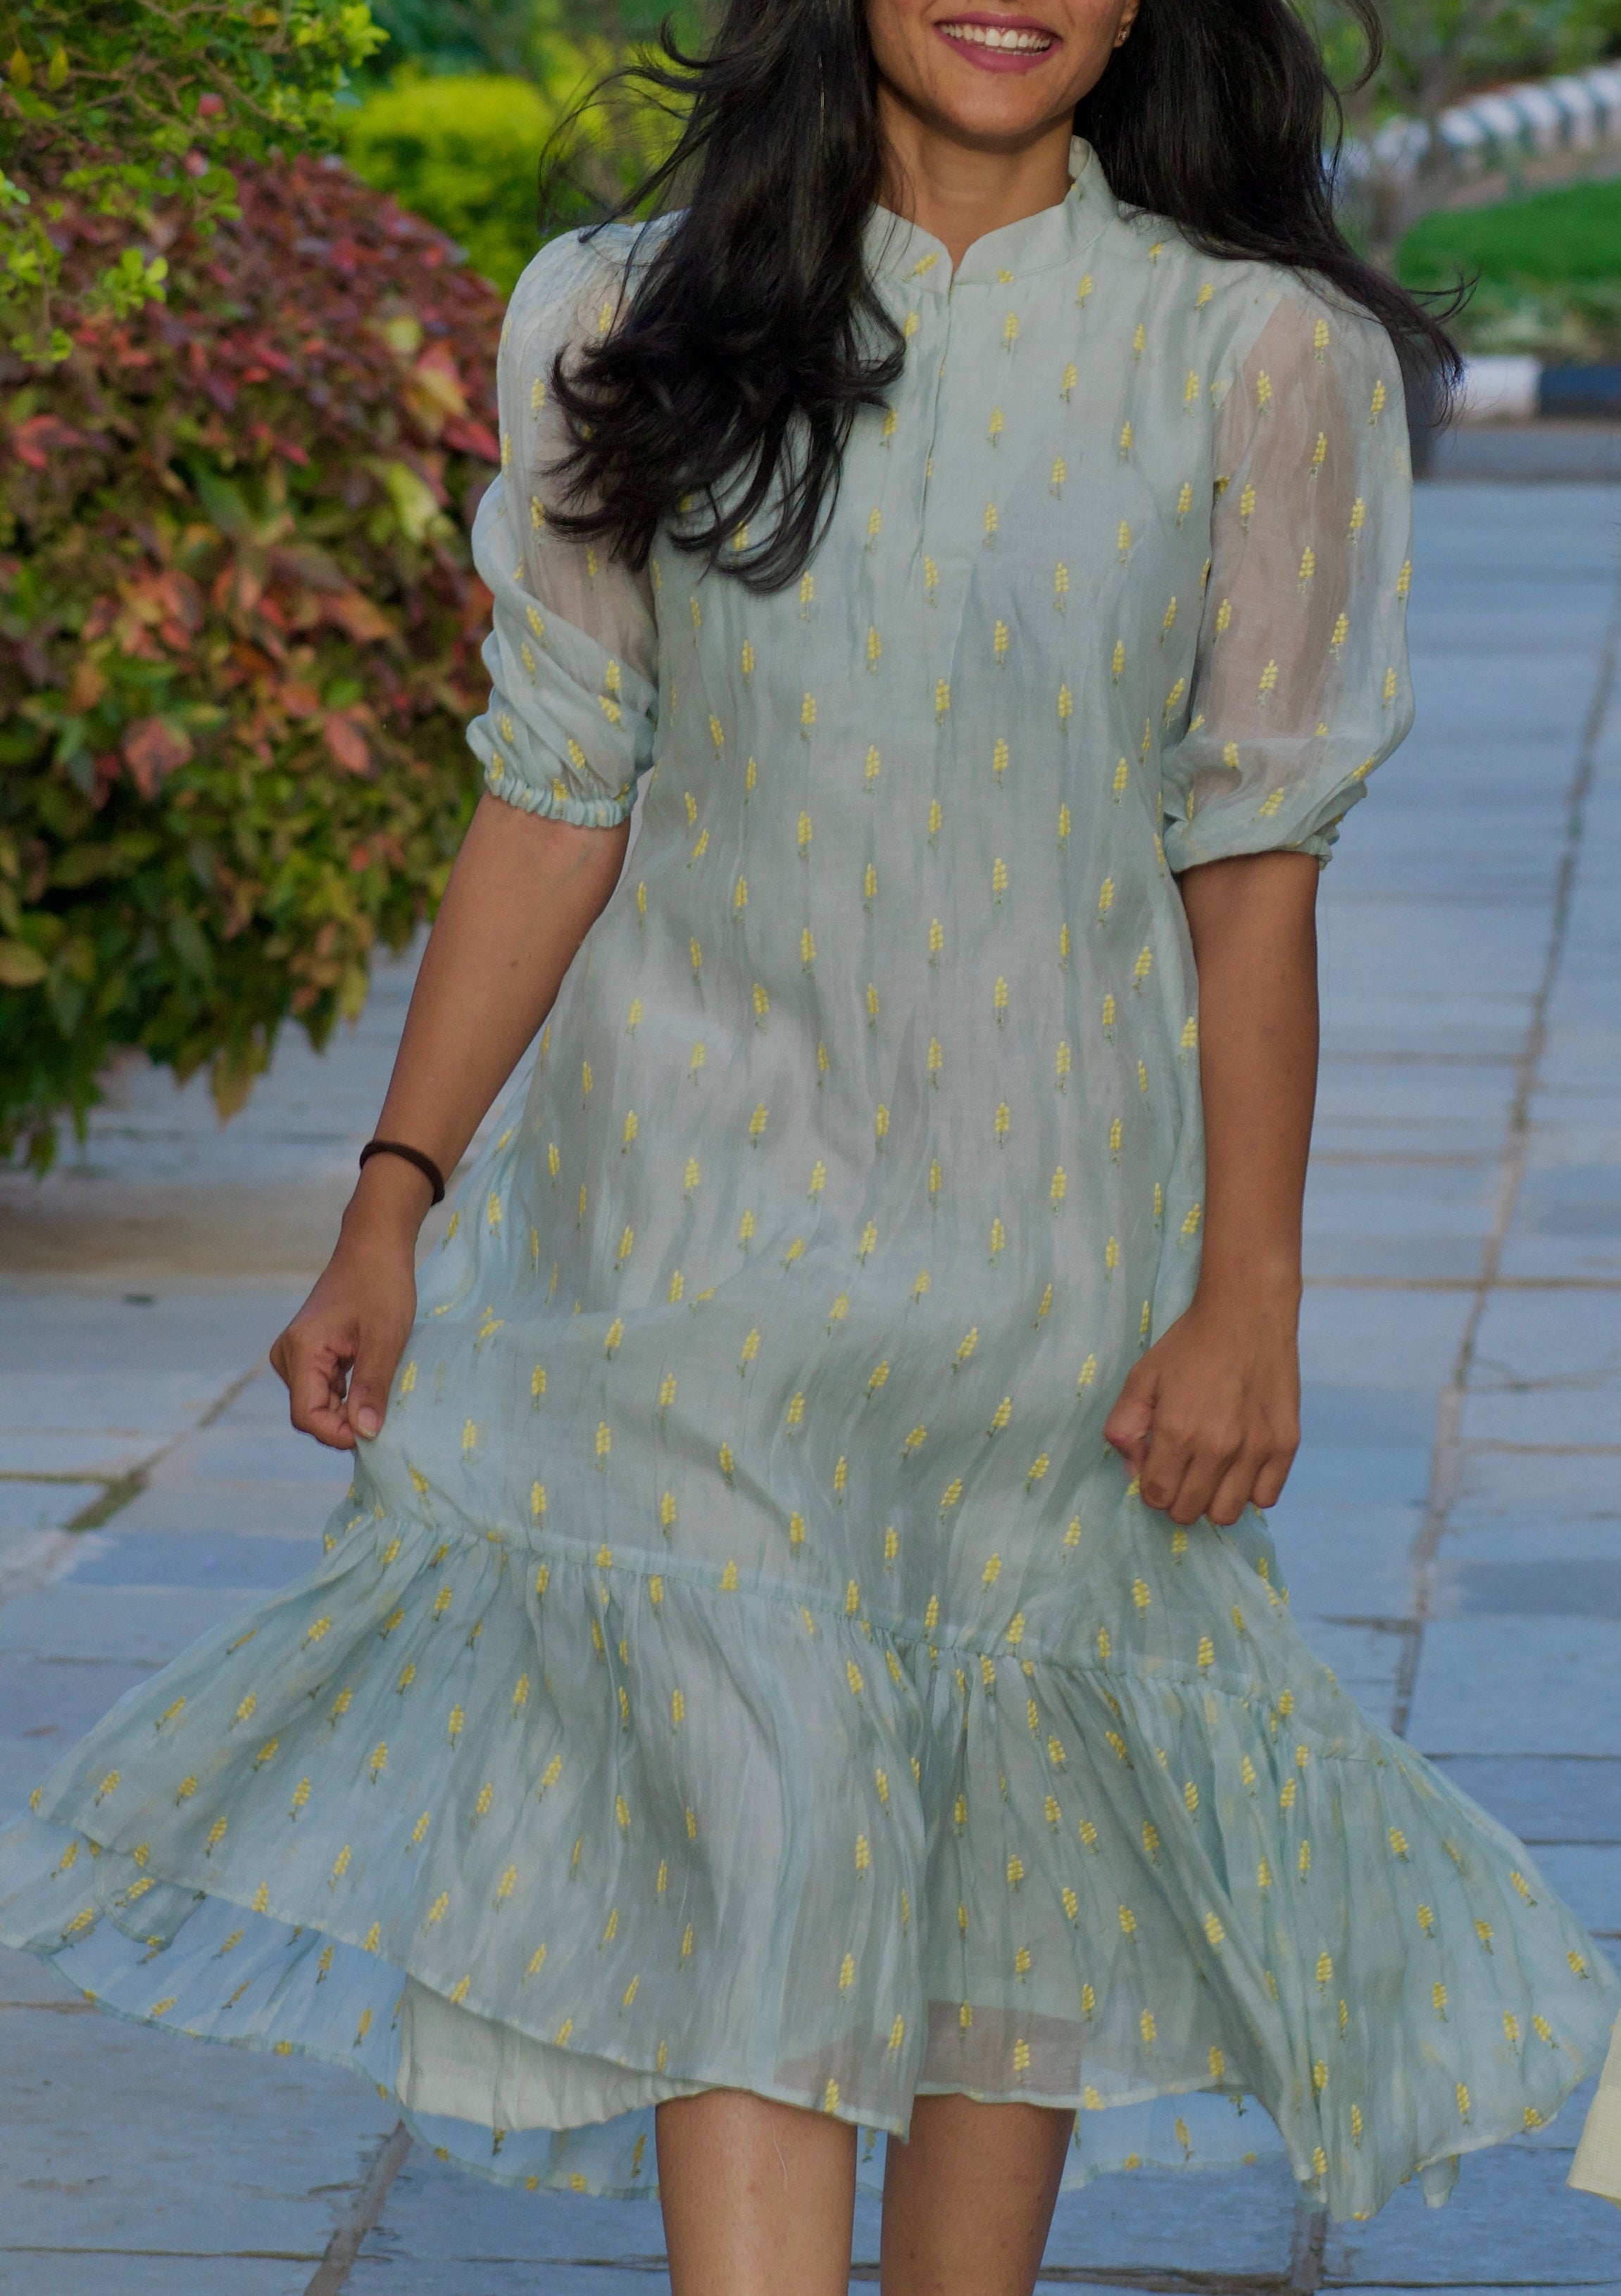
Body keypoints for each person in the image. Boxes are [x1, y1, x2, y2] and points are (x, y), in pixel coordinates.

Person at [4, 1, 1617, 2288]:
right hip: (677, 1252)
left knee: (1008, 1868)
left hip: (1050, 1281)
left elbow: (1255, 871)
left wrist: (1248, 1292)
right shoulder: (624, 316)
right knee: (750, 1862)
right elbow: (556, 788)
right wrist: (391, 1196)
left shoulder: (1257, 360)